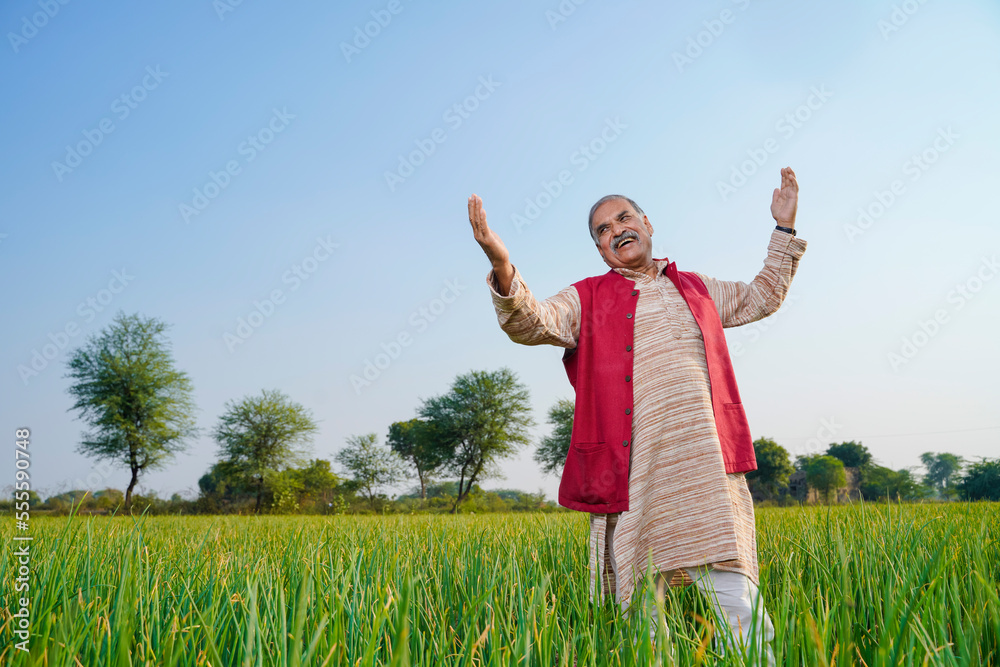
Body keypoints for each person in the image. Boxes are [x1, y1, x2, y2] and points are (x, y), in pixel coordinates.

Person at [467, 167, 807, 664]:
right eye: (602, 230)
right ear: (600, 250)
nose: (615, 230)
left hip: (707, 474)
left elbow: (763, 295)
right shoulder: (585, 298)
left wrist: (783, 229)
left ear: (647, 223)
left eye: (623, 218)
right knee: (644, 621)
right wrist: (501, 264)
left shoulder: (696, 288)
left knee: (739, 609)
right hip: (634, 478)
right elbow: (530, 321)